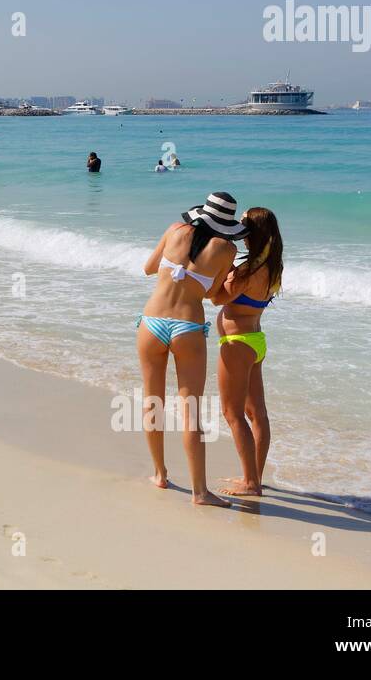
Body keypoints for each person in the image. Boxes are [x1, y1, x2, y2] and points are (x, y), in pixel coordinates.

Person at [136, 191, 246, 506]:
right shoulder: (226, 248)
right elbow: (212, 294)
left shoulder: (174, 230)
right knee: (191, 412)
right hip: (188, 328)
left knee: (151, 402)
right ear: (226, 225)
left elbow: (148, 268)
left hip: (151, 322)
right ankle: (200, 492)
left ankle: (159, 474)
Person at [212, 207, 281, 497]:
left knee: (232, 412)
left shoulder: (245, 269)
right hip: (256, 340)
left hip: (237, 342)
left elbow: (216, 297)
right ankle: (254, 476)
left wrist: (223, 265)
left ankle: (250, 483)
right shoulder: (272, 267)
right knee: (257, 413)